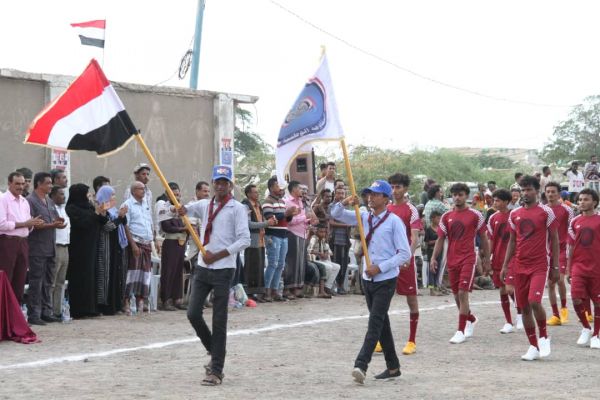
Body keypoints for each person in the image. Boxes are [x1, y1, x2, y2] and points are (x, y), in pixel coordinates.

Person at [330, 180, 410, 384]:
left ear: (385, 198)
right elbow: (336, 214)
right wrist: (346, 202)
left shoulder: (394, 221)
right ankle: (393, 367)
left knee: (375, 323)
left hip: (385, 279)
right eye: (368, 194)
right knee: (382, 323)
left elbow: (404, 254)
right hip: (368, 279)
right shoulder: (363, 216)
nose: (370, 197)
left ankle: (361, 364)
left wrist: (381, 267)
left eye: (374, 194)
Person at [181, 165, 250, 386]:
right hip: (203, 267)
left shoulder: (237, 208)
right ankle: (214, 350)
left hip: (223, 268)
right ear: (212, 184)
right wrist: (179, 210)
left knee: (219, 319)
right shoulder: (205, 205)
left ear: (230, 185)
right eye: (217, 182)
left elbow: (244, 240)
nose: (220, 186)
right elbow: (186, 209)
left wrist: (218, 255)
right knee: (193, 313)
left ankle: (216, 370)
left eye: (224, 182)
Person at [501, 175, 560, 361]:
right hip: (519, 266)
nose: (525, 193)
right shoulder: (514, 214)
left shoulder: (546, 212)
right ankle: (533, 346)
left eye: (529, 189)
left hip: (540, 265)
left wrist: (556, 266)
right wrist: (505, 266)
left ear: (537, 191)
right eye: (522, 190)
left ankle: (543, 335)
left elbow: (555, 240)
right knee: (524, 307)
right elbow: (512, 241)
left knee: (534, 301)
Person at [430, 183, 490, 344]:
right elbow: (440, 239)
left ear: (466, 196)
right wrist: (434, 258)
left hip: (468, 258)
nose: (457, 197)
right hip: (452, 259)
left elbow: (484, 238)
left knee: (463, 293)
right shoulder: (446, 217)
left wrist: (487, 259)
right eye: (454, 194)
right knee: (456, 295)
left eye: (461, 194)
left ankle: (460, 330)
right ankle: (470, 318)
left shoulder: (475, 215)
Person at [385, 173, 423, 355]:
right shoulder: (386, 208)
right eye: (392, 187)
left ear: (405, 189)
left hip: (404, 261)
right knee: (383, 299)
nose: (394, 190)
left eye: (398, 187)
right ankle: (380, 339)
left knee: (411, 299)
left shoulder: (411, 210)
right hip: (387, 261)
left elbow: (414, 237)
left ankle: (411, 340)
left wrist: (407, 256)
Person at [26, 172, 66, 325]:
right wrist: (52, 225)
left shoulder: (48, 201)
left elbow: (54, 219)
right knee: (36, 281)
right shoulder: (31, 201)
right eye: (48, 183)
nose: (51, 186)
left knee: (49, 281)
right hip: (37, 247)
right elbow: (33, 224)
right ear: (39, 184)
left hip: (50, 246)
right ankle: (34, 314)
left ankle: (46, 311)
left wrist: (59, 222)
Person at [66, 183, 109, 319]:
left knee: (92, 276)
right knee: (81, 277)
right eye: (86, 193)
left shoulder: (89, 206)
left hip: (92, 246)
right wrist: (95, 214)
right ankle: (79, 309)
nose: (88, 195)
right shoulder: (71, 208)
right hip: (79, 248)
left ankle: (91, 307)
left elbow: (101, 221)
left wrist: (101, 212)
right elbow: (82, 224)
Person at [0, 172, 43, 306]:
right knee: (6, 279)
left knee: (20, 281)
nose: (20, 186)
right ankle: (4, 318)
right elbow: (1, 224)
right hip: (8, 242)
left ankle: (15, 319)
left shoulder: (24, 201)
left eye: (22, 183)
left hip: (23, 243)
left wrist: (32, 225)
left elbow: (28, 224)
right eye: (17, 183)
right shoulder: (3, 199)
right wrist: (25, 224)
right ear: (9, 183)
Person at [566, 188, 600, 348]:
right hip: (579, 266)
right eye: (580, 200)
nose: (581, 202)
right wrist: (568, 268)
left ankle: (596, 335)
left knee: (598, 303)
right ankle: (586, 327)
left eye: (585, 199)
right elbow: (571, 247)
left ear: (594, 202)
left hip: (597, 267)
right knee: (576, 298)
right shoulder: (574, 222)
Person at [487, 189, 518, 333]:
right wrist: (487, 257)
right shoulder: (493, 218)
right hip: (498, 258)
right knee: (502, 290)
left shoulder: (515, 216)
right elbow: (490, 239)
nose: (495, 203)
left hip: (513, 258)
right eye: (494, 200)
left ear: (506, 201)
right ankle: (508, 322)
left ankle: (521, 313)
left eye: (498, 200)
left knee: (509, 287)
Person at [95, 185, 128, 315]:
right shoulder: (100, 210)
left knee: (115, 276)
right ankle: (104, 306)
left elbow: (121, 224)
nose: (113, 197)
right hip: (105, 247)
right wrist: (119, 218)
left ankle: (115, 305)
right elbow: (107, 227)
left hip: (116, 247)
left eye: (114, 195)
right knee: (105, 277)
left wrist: (121, 216)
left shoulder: (113, 210)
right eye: (111, 195)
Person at [544, 182, 574, 326]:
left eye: (553, 192)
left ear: (558, 193)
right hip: (545, 251)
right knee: (550, 284)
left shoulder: (567, 210)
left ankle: (563, 309)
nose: (550, 194)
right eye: (548, 191)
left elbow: (571, 229)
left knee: (559, 280)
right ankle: (555, 315)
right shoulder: (542, 210)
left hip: (561, 249)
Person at [262, 177, 296, 302]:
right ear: (271, 188)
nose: (280, 187)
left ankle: (275, 290)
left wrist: (290, 215)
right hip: (273, 235)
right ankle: (266, 290)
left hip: (283, 235)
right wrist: (286, 214)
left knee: (280, 264)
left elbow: (285, 220)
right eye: (277, 185)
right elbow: (270, 218)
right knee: (273, 263)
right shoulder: (267, 201)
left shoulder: (282, 201)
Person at [123, 181, 154, 314]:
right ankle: (126, 301)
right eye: (141, 189)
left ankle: (141, 300)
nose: (144, 191)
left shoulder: (146, 204)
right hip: (135, 242)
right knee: (132, 273)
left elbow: (149, 222)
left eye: (144, 189)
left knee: (145, 274)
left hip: (147, 243)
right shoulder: (127, 205)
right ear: (133, 191)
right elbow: (125, 226)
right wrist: (133, 245)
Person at [155, 183, 187, 311]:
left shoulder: (181, 209)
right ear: (168, 195)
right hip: (171, 243)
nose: (177, 197)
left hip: (181, 243)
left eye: (178, 194)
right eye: (174, 194)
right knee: (168, 272)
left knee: (179, 272)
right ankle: (166, 300)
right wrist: (182, 228)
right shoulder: (164, 208)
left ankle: (177, 299)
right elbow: (166, 226)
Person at [241, 184, 276, 302]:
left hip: (260, 240)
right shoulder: (245, 206)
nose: (257, 194)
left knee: (259, 267)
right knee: (251, 266)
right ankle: (249, 293)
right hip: (252, 240)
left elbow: (261, 222)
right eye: (255, 192)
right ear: (248, 194)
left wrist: (268, 224)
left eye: (257, 192)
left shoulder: (258, 205)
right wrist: (267, 223)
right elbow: (248, 224)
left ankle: (257, 293)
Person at [284, 181, 316, 299]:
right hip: (292, 233)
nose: (302, 191)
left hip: (302, 233)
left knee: (300, 262)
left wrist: (309, 221)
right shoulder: (288, 202)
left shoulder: (301, 203)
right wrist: (305, 217)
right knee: (292, 262)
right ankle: (288, 287)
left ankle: (297, 287)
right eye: (300, 188)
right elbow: (290, 221)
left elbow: (302, 219)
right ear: (293, 189)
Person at [50, 185, 70, 319]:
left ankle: (57, 311)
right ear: (53, 196)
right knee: (52, 280)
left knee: (60, 281)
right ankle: (48, 310)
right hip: (55, 246)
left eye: (64, 194)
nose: (63, 196)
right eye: (60, 194)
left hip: (65, 247)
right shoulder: (51, 209)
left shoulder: (64, 209)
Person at [307, 223, 341, 298]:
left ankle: (327, 287)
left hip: (321, 259)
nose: (323, 234)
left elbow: (328, 251)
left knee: (337, 266)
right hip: (313, 259)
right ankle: (322, 289)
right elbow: (309, 250)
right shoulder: (313, 238)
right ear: (316, 231)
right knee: (328, 267)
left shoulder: (323, 240)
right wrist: (319, 253)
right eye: (321, 232)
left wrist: (325, 253)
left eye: (324, 232)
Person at [330, 186, 351, 294]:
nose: (341, 195)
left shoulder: (347, 208)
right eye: (338, 193)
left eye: (343, 193)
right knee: (335, 262)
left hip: (345, 239)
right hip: (334, 238)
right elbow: (331, 222)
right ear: (335, 194)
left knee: (344, 263)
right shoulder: (332, 206)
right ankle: (334, 286)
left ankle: (341, 286)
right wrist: (346, 225)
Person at [424, 210, 446, 296]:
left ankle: (437, 287)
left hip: (439, 253)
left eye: (440, 218)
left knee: (438, 269)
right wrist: (437, 241)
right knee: (431, 271)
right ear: (432, 219)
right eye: (437, 218)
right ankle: (431, 290)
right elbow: (427, 242)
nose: (439, 220)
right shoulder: (429, 229)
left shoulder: (440, 229)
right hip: (431, 252)